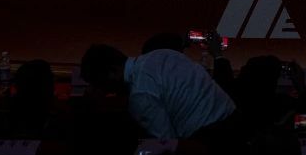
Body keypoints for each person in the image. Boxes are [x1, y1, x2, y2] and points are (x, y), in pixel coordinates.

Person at [80, 43, 237, 142]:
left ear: (112, 72)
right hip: (233, 119)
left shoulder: (140, 95)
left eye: (100, 83)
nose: (105, 91)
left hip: (209, 140)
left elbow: (166, 142)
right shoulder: (162, 54)